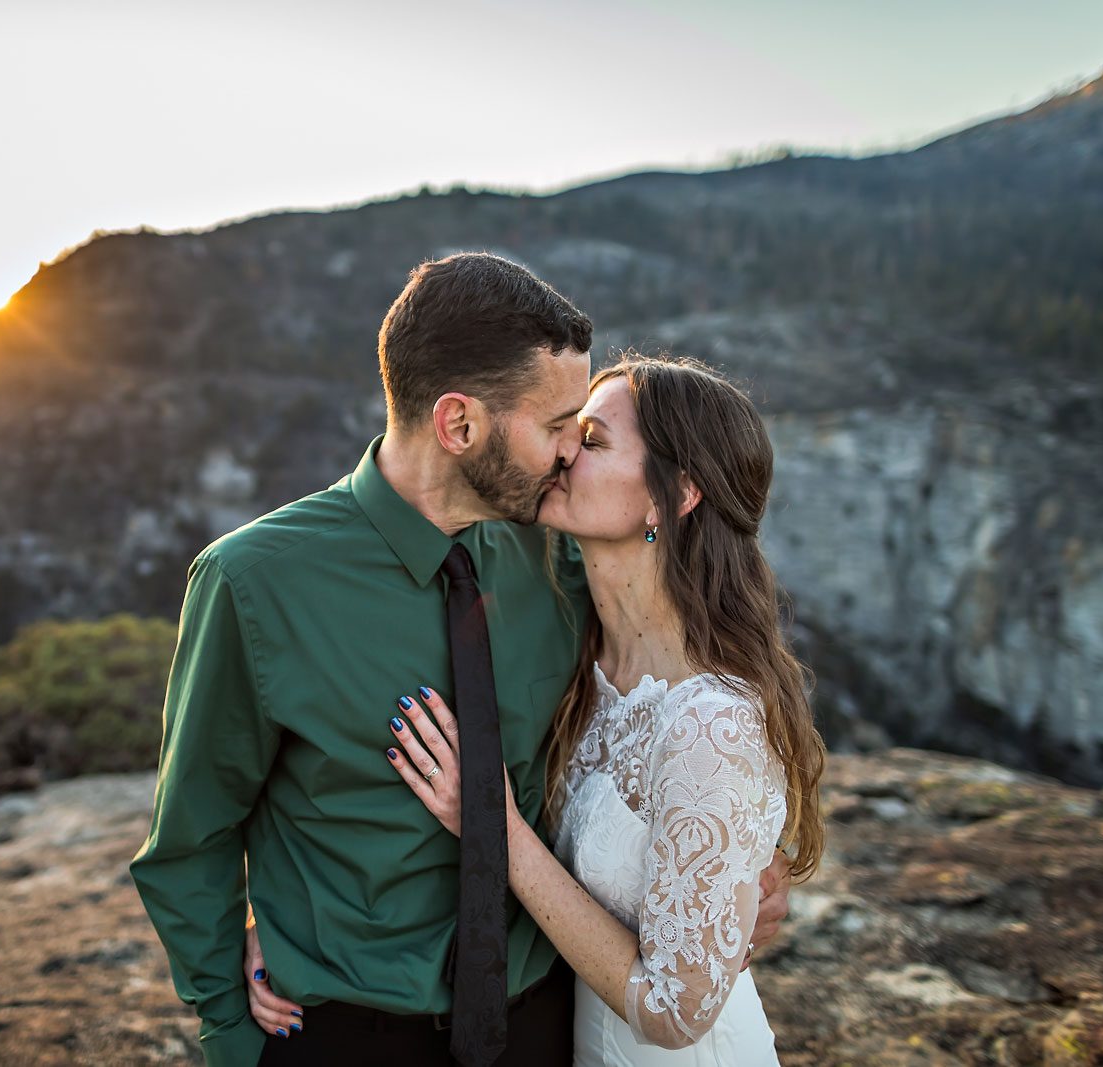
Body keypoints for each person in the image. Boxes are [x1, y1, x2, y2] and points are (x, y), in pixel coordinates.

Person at [130, 253, 791, 1067]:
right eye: (558, 427)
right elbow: (192, 835)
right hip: (344, 1038)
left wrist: (744, 869)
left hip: (549, 1026)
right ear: (460, 424)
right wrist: (233, 1034)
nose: (567, 455)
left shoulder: (564, 558)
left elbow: (704, 672)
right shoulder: (254, 582)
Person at [374, 356, 827, 1064]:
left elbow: (678, 1011)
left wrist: (495, 825)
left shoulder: (712, 719)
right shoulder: (585, 660)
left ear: (673, 494)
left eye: (592, 440)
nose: (562, 453)